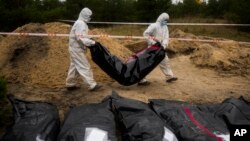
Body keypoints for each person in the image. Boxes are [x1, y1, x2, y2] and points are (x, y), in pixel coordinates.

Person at [66, 7, 102, 91]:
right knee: (84, 66)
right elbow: (80, 38)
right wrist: (92, 43)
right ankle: (92, 84)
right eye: (89, 16)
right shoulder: (80, 23)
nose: (90, 17)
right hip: (76, 49)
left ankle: (70, 84)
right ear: (85, 15)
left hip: (75, 48)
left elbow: (82, 35)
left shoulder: (81, 23)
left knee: (74, 66)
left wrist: (90, 38)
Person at [138, 13, 178, 86]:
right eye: (165, 19)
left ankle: (169, 76)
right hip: (152, 48)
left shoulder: (165, 27)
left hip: (161, 48)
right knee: (148, 63)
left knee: (165, 61)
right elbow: (145, 34)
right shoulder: (154, 26)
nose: (166, 21)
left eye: (167, 20)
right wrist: (153, 42)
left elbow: (166, 37)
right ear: (161, 18)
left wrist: (164, 45)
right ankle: (141, 79)